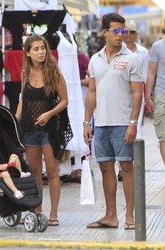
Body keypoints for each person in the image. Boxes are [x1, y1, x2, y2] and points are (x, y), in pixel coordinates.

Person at [83, 13, 144, 230]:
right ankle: (111, 216)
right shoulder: (95, 60)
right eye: (116, 31)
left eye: (123, 31)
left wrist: (133, 123)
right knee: (105, 168)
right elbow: (92, 93)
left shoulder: (132, 59)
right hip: (101, 124)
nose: (120, 35)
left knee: (126, 167)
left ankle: (130, 216)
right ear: (105, 32)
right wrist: (87, 122)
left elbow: (138, 94)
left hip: (122, 122)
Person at [16, 34, 68, 226]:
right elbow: (23, 100)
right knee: (34, 171)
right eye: (36, 49)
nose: (41, 52)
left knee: (53, 170)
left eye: (43, 48)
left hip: (49, 129)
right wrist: (14, 122)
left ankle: (53, 215)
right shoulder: (24, 73)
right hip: (29, 129)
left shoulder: (54, 73)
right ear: (28, 53)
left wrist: (49, 114)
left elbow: (64, 100)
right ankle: (37, 211)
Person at [116, 20, 149, 181]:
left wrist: (147, 96)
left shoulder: (142, 52)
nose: (129, 35)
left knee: (136, 126)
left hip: (137, 93)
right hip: (120, 93)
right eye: (126, 31)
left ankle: (134, 164)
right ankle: (122, 167)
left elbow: (147, 75)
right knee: (119, 129)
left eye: (133, 32)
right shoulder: (118, 51)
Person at [146, 29, 165, 164]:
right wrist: (148, 96)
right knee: (163, 137)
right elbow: (151, 73)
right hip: (161, 95)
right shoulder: (157, 47)